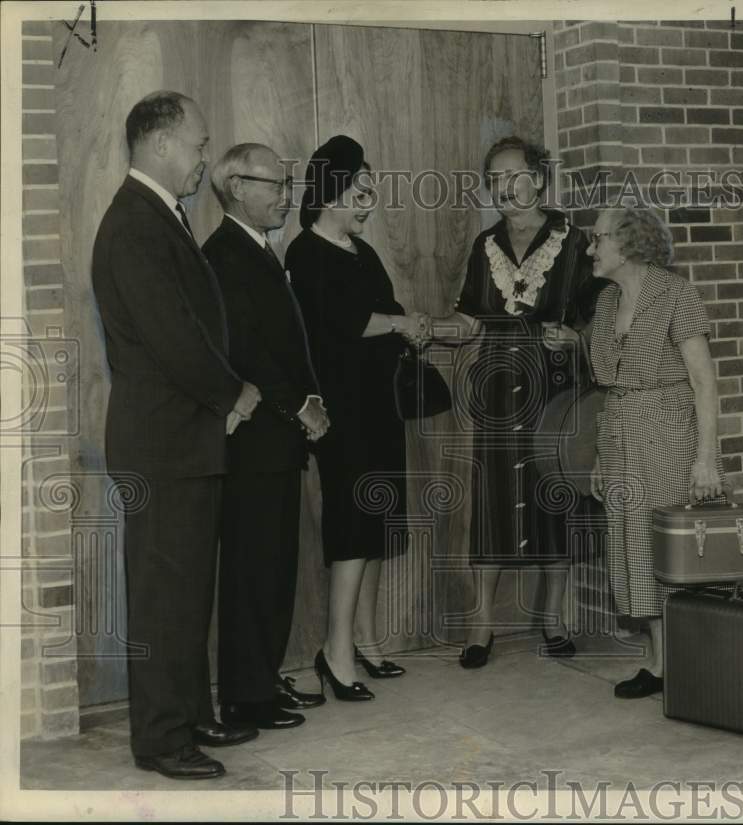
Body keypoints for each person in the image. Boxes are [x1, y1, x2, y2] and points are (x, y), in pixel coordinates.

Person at [91, 91, 263, 780]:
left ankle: (188, 713)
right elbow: (173, 337)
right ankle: (161, 739)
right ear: (160, 143)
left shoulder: (159, 216)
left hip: (182, 442)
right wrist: (234, 391)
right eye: (197, 144)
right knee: (165, 597)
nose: (202, 159)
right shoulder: (135, 223)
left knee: (186, 590)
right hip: (164, 444)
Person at [429, 135, 598, 668]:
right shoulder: (485, 246)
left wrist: (576, 339)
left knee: (554, 497)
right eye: (494, 179)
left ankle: (552, 619)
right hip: (500, 388)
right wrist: (432, 329)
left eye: (512, 176)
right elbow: (470, 318)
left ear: (539, 178)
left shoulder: (576, 241)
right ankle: (481, 626)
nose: (503, 188)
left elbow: (601, 317)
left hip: (556, 389)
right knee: (494, 500)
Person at [286, 135, 428, 701]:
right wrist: (398, 324)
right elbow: (341, 323)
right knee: (350, 527)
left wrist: (408, 323)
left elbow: (385, 311)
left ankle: (366, 642)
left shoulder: (361, 251)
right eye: (361, 191)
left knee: (375, 527)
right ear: (330, 192)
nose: (369, 201)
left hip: (380, 405)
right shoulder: (304, 251)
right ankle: (334, 652)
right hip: (342, 410)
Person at [202, 143, 330, 732]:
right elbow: (245, 348)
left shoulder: (255, 249)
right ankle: (245, 696)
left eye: (288, 183)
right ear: (235, 187)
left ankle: (261, 679)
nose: (287, 195)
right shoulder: (225, 254)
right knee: (255, 568)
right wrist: (300, 403)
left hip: (274, 441)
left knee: (274, 564)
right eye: (275, 184)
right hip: (254, 442)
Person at [587, 206, 725, 699]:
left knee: (668, 550)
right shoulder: (605, 304)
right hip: (621, 435)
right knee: (634, 551)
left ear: (626, 243)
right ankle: (659, 662)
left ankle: (684, 664)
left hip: (667, 436)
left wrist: (705, 459)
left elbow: (704, 381)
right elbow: (611, 386)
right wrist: (603, 456)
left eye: (598, 239)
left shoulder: (675, 293)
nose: (591, 248)